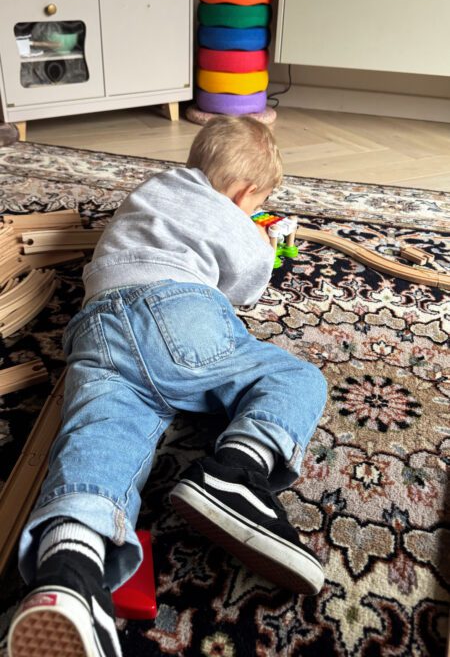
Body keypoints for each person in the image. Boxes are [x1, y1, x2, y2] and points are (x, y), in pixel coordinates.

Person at [7, 116, 327, 657]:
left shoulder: (154, 189)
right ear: (245, 193)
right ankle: (239, 474)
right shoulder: (233, 214)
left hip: (97, 329)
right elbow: (247, 285)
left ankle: (72, 568)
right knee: (291, 376)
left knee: (102, 434)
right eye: (253, 204)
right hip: (178, 311)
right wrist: (260, 241)